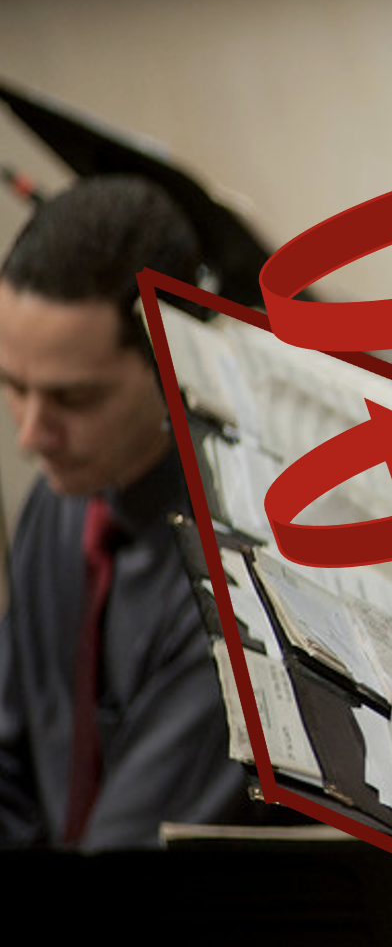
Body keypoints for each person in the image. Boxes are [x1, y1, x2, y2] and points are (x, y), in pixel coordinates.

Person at [0, 176, 248, 849]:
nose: (31, 435)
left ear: (175, 367)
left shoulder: (230, 586)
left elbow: (123, 873)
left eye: (73, 400)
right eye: (14, 388)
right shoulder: (58, 504)